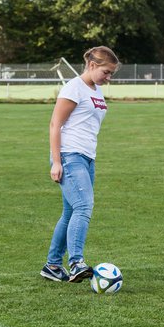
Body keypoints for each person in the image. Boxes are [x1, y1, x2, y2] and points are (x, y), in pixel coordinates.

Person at [42, 46, 119, 282]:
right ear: (92, 65)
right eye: (106, 72)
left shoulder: (95, 90)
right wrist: (57, 161)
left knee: (70, 212)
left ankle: (53, 266)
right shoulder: (74, 88)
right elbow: (55, 125)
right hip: (69, 156)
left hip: (86, 158)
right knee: (84, 207)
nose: (109, 78)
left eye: (111, 74)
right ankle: (76, 262)